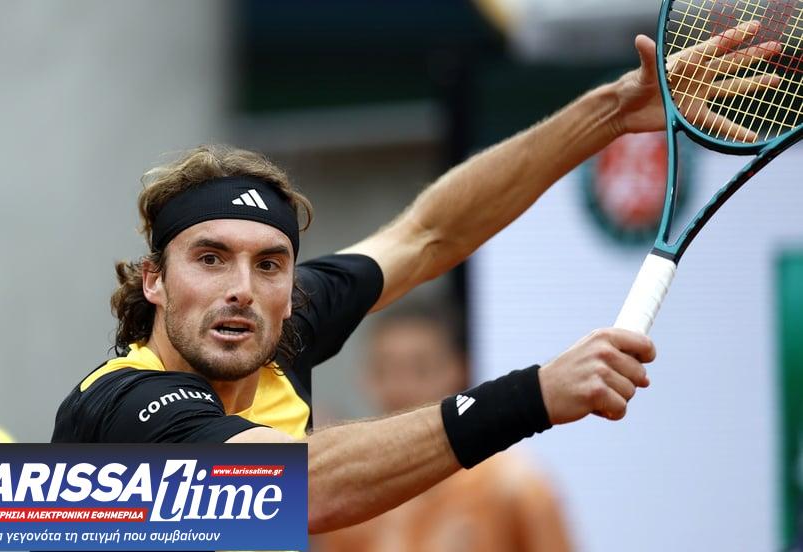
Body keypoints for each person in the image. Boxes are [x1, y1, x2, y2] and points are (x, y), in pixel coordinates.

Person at [53, 27, 778, 533]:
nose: (242, 286)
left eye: (269, 262)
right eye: (210, 258)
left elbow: (430, 233)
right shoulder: (122, 409)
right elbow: (291, 487)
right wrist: (532, 394)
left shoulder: (277, 327)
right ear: (154, 281)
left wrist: (611, 111)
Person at [314, 303, 573, 552]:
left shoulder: (512, 484)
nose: (400, 387)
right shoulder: (347, 490)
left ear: (459, 369)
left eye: (420, 369)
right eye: (385, 369)